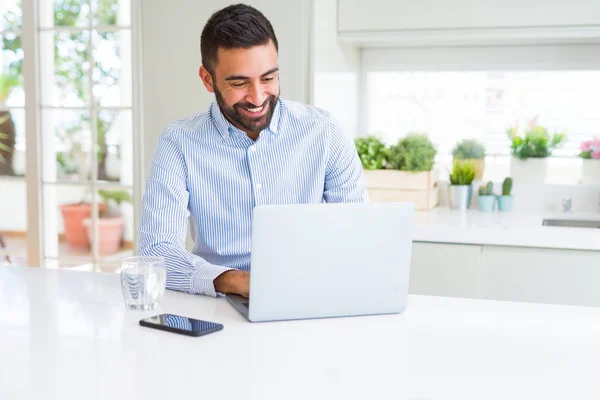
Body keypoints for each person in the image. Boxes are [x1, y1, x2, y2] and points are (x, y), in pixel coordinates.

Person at [138, 4, 367, 298]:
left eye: (268, 78)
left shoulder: (324, 132)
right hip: (220, 302)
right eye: (239, 82)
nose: (258, 97)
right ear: (208, 79)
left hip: (308, 296)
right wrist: (234, 281)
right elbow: (157, 251)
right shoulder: (178, 143)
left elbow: (357, 235)